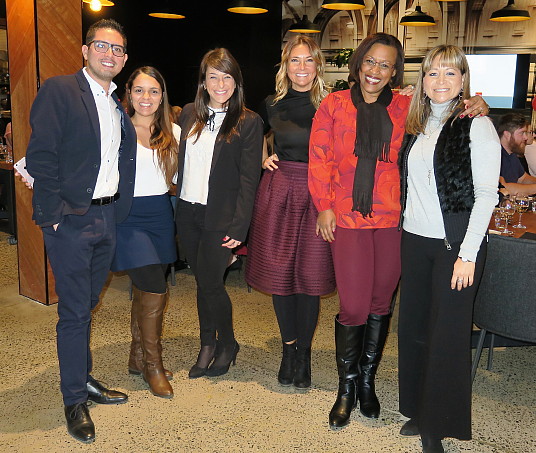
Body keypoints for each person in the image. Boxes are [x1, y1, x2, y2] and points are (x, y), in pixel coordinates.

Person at [308, 33, 488, 430]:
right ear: (358, 63)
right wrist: (323, 206)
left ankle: (368, 383)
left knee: (380, 303)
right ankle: (347, 388)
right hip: (348, 217)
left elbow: (447, 109)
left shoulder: (407, 107)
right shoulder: (334, 104)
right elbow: (319, 159)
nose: (376, 71)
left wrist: (477, 103)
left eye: (385, 65)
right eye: (370, 62)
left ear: (395, 71)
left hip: (394, 221)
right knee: (353, 305)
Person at [25, 19, 136, 443]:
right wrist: (53, 215)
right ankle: (74, 398)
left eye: (119, 50)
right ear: (86, 50)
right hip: (71, 219)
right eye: (103, 46)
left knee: (86, 304)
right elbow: (42, 155)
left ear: (124, 59)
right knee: (73, 311)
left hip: (107, 218)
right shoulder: (60, 90)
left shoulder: (114, 102)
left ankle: (83, 377)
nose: (110, 54)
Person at [397, 45, 500, 453]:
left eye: (450, 74)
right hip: (414, 241)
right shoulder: (416, 123)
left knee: (448, 336)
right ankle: (418, 409)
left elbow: (487, 194)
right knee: (415, 330)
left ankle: (437, 424)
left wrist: (468, 253)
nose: (440, 81)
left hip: (457, 247)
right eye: (432, 73)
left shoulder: (476, 124)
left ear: (463, 81)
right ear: (422, 80)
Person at [245, 36, 336, 389]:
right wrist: (260, 157)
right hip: (281, 191)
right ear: (286, 65)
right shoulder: (271, 104)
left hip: (318, 195)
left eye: (308, 61)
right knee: (282, 277)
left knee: (310, 281)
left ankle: (305, 354)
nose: (301, 67)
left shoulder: (333, 104)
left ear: (317, 66)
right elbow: (240, 134)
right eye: (295, 61)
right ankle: (288, 349)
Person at [175, 48, 263, 379]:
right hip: (188, 212)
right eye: (213, 76)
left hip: (221, 218)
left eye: (226, 76)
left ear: (236, 81)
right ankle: (207, 344)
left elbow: (248, 180)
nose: (220, 83)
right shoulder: (187, 114)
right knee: (202, 283)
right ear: (204, 81)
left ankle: (225, 344)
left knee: (211, 284)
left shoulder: (249, 122)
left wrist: (240, 228)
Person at [111, 66, 179, 398]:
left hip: (160, 215)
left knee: (145, 287)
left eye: (153, 91)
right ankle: (153, 365)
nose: (146, 98)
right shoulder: (117, 128)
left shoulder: (174, 132)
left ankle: (137, 357)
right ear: (128, 93)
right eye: (139, 90)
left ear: (162, 96)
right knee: (154, 284)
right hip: (127, 216)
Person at [497, 113, 536, 196]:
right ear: (507, 135)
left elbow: (523, 178)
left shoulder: (512, 154)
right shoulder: (495, 155)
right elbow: (506, 188)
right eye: (522, 133)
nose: (525, 137)